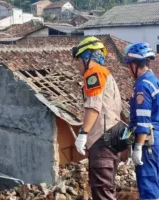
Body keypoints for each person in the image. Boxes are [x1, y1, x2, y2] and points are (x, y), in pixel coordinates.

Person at [72, 36, 122, 200]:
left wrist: (83, 133)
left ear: (86, 56)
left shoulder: (94, 73)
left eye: (79, 60)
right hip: (112, 137)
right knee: (106, 189)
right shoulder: (106, 74)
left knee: (102, 192)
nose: (78, 65)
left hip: (102, 141)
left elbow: (93, 106)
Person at [124, 42, 159, 200]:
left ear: (135, 65)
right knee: (157, 180)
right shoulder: (156, 82)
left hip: (148, 139)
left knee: (148, 183)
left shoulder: (142, 86)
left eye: (129, 66)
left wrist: (138, 147)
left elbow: (143, 120)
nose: (129, 71)